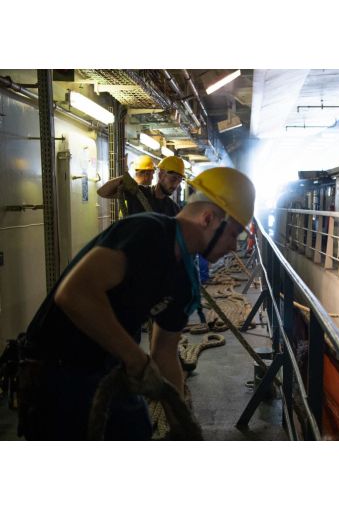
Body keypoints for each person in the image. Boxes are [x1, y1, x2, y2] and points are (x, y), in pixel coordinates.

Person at [20, 167, 256, 440]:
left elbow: (165, 353)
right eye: (234, 234)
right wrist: (135, 358)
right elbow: (75, 293)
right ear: (208, 218)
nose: (234, 247)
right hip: (60, 368)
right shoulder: (147, 232)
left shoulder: (183, 281)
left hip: (111, 365)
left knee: (136, 429)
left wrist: (180, 419)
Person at [97, 155, 186, 216]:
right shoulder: (138, 193)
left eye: (179, 180)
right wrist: (124, 178)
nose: (175, 185)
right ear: (161, 174)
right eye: (173, 178)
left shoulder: (174, 209)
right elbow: (102, 192)